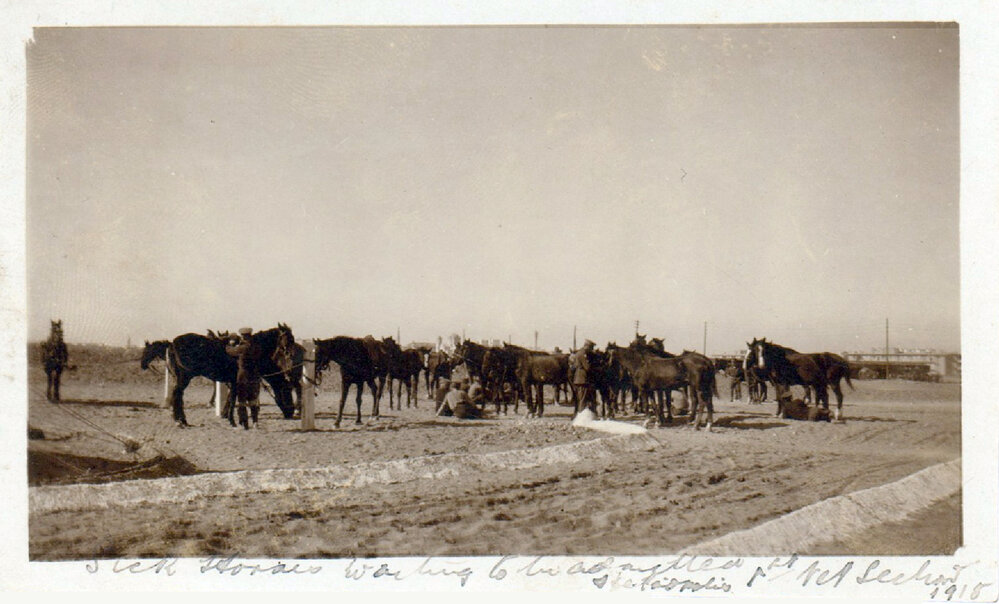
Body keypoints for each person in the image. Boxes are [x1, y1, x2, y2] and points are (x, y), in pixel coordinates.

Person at [229, 327, 262, 429]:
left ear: (243, 336)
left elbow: (230, 351)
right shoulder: (257, 347)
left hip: (243, 377)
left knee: (242, 401)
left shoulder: (242, 348)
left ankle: (244, 423)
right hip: (255, 376)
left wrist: (228, 344)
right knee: (253, 400)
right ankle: (255, 422)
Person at [571, 340, 597, 415]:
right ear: (587, 346)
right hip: (583, 379)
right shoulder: (583, 354)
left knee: (582, 398)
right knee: (583, 399)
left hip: (579, 379)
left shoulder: (579, 353)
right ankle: (581, 416)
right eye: (591, 348)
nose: (591, 350)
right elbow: (587, 367)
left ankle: (581, 415)